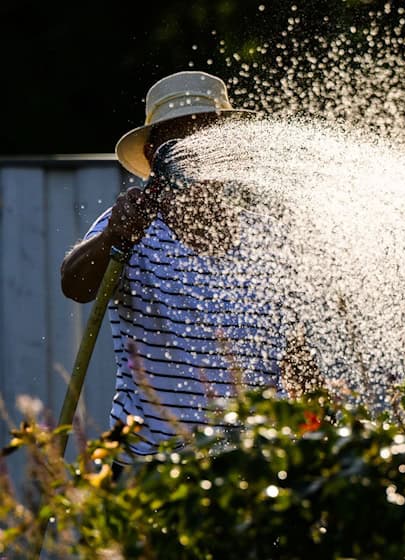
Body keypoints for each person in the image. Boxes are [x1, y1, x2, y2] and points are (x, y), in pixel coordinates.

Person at [60, 71, 313, 467]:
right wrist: (114, 237)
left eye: (205, 134)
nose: (194, 151)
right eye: (177, 138)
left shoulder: (269, 236)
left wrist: (315, 445)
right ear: (152, 156)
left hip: (258, 466)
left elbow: (296, 357)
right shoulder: (130, 225)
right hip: (155, 466)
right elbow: (74, 285)